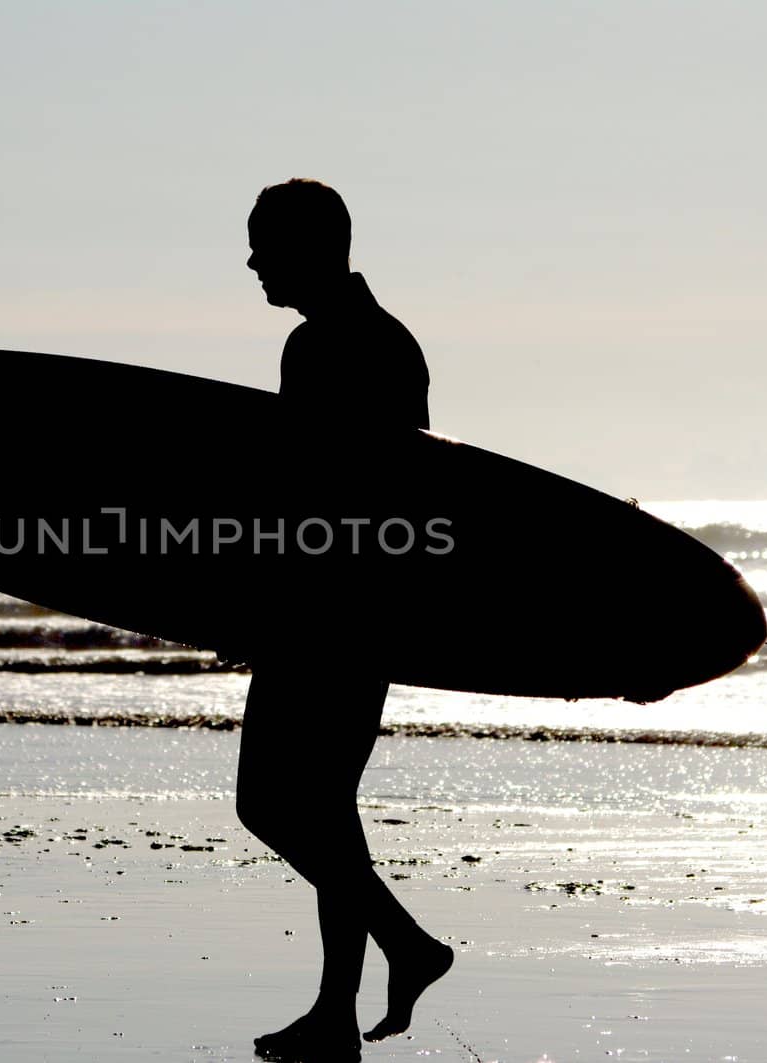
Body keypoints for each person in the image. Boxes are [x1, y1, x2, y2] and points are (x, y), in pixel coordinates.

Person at [238, 178, 453, 1062]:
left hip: (332, 616)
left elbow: (332, 500)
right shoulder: (360, 341)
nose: (251, 261)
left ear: (310, 248)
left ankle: (410, 944)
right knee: (326, 809)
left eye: (264, 244)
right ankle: (334, 1014)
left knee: (270, 804)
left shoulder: (341, 347)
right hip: (357, 613)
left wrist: (261, 603)